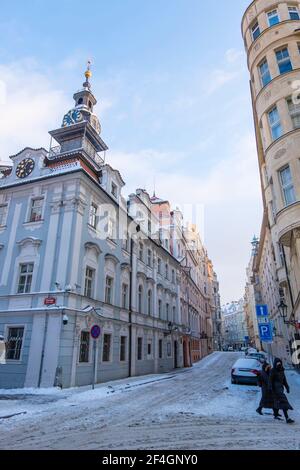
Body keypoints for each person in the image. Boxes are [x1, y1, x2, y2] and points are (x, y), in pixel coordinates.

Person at [269, 358, 294, 424]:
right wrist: (271, 388)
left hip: (280, 389)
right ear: (275, 364)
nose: (279, 364)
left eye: (280, 363)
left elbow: (284, 380)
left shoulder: (282, 370)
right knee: (283, 403)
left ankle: (276, 414)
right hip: (276, 390)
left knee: (278, 402)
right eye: (277, 363)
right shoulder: (273, 370)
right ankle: (287, 418)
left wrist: (287, 387)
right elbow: (270, 380)